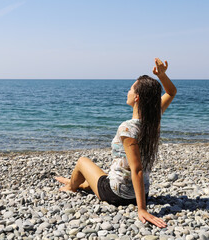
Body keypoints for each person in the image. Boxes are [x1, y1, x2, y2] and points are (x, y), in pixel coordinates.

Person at [55, 58, 176, 228]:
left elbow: (137, 169)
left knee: (82, 161)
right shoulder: (153, 120)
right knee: (103, 174)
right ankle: (79, 183)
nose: (128, 92)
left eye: (130, 89)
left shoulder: (127, 128)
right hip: (141, 192)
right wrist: (162, 76)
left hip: (117, 195)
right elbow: (171, 92)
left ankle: (71, 187)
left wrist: (142, 209)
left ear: (137, 98)